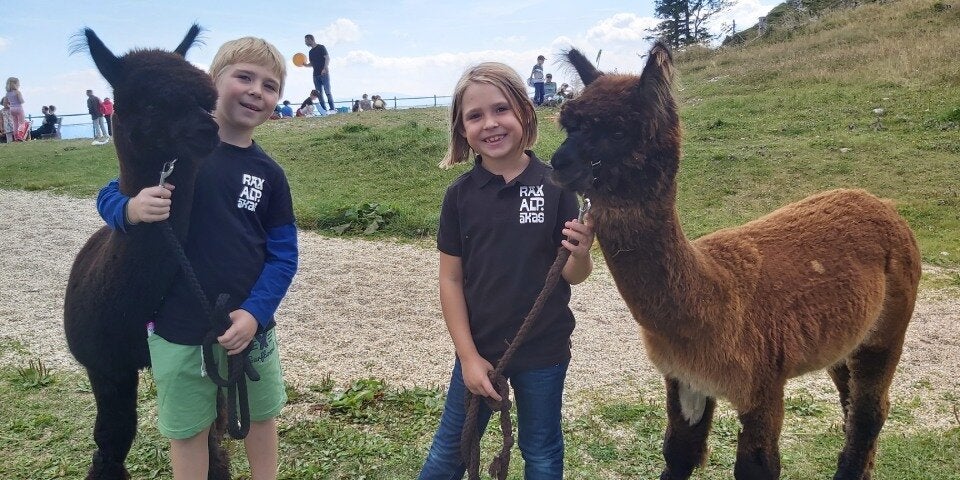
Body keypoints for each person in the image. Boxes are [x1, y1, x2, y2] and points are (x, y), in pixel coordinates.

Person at [95, 36, 297, 480]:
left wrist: (256, 312)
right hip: (178, 326)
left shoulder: (269, 174)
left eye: (269, 85)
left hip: (249, 326)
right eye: (243, 77)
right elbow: (112, 192)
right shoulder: (175, 151)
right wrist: (127, 210)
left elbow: (284, 255)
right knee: (187, 428)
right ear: (212, 82)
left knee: (261, 416)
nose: (255, 91)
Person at [418, 62, 594, 479]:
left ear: (525, 113)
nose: (490, 124)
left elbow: (572, 274)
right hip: (478, 352)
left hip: (544, 351)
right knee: (449, 452)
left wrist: (583, 253)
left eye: (501, 109)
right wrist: (468, 357)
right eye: (475, 116)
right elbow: (450, 279)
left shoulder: (557, 185)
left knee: (543, 453)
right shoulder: (459, 196)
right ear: (462, 130)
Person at [302, 34, 335, 112]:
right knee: (319, 95)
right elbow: (312, 64)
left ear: (310, 39)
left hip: (324, 73)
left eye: (306, 41)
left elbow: (327, 58)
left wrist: (325, 68)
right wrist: (305, 65)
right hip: (315, 75)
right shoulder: (310, 52)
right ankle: (324, 110)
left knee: (327, 92)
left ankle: (332, 109)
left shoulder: (321, 47)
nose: (305, 43)